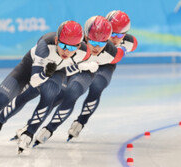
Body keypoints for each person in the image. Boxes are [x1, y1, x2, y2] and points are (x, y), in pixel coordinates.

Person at [0, 15, 128, 152]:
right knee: (32, 91)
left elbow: (129, 45)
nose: (95, 47)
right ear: (85, 37)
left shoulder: (114, 53)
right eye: (91, 41)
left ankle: (52, 127)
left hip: (85, 71)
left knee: (72, 92)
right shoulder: (75, 43)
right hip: (66, 67)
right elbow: (46, 45)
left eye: (101, 42)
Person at [0, 20, 98, 154]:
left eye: (71, 47)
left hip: (54, 73)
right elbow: (34, 81)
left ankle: (29, 133)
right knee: (0, 100)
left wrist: (84, 66)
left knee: (50, 94)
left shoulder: (84, 52)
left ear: (79, 45)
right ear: (56, 40)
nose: (66, 51)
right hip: (29, 69)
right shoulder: (45, 45)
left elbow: (74, 65)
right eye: (63, 45)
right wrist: (45, 74)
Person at [33, 10, 138, 146]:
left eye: (120, 35)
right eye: (112, 33)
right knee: (64, 93)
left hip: (105, 66)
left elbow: (129, 47)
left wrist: (121, 51)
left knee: (97, 86)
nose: (115, 38)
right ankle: (35, 125)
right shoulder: (88, 36)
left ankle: (79, 122)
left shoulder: (129, 42)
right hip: (83, 66)